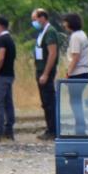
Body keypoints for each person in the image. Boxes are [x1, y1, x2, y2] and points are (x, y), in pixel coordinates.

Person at [31, 8, 60, 140]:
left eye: (35, 19)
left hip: (45, 71)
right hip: (40, 69)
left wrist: (46, 73)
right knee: (45, 101)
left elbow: (52, 53)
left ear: (42, 17)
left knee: (49, 101)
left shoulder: (50, 32)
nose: (34, 22)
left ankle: (53, 130)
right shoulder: (42, 32)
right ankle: (50, 128)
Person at [63, 13, 88, 135]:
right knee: (77, 100)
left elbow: (75, 56)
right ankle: (81, 127)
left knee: (74, 101)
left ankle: (80, 128)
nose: (63, 24)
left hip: (78, 72)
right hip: (85, 71)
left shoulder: (75, 36)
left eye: (65, 22)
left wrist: (69, 72)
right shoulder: (83, 34)